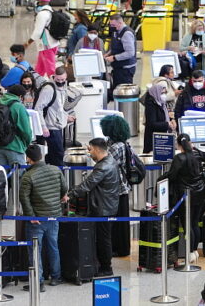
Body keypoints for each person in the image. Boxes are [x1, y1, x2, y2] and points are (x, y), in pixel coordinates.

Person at [66, 138, 120, 277]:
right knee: (103, 237)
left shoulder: (103, 167)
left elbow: (87, 184)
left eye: (90, 149)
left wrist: (69, 196)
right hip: (108, 205)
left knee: (103, 239)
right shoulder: (110, 160)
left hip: (103, 209)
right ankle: (101, 264)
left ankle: (106, 267)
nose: (89, 153)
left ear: (96, 149)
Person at [20, 145, 66, 291]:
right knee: (54, 246)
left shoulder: (28, 176)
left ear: (28, 158)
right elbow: (64, 189)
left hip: (37, 220)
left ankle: (38, 282)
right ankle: (56, 277)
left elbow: (24, 198)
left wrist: (31, 216)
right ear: (41, 156)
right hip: (54, 216)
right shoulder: (55, 170)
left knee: (35, 250)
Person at [157, 134, 205, 263]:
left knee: (187, 224)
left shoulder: (179, 158)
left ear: (179, 145)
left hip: (186, 194)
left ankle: (189, 254)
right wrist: (195, 148)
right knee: (195, 222)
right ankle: (195, 251)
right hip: (200, 192)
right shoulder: (196, 155)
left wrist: (160, 179)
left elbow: (172, 175)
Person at [99, 115, 132, 257]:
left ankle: (120, 249)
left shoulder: (116, 147)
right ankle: (121, 247)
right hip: (122, 187)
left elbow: (104, 164)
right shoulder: (121, 143)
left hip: (116, 189)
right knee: (121, 221)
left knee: (117, 222)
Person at [0, 84, 33, 167]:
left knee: (2, 177)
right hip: (15, 146)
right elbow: (26, 131)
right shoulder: (18, 107)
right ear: (20, 96)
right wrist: (26, 143)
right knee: (18, 177)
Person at [35, 69, 68, 166]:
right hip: (50, 127)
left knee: (53, 154)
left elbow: (59, 107)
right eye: (58, 79)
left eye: (63, 80)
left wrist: (66, 117)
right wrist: (43, 126)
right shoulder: (49, 89)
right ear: (54, 76)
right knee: (58, 154)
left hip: (57, 124)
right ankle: (58, 176)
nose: (60, 82)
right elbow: (38, 108)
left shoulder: (63, 87)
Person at [25, 0, 58, 77]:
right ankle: (37, 79)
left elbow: (38, 31)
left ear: (42, 2)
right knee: (40, 66)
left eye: (38, 1)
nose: (37, 3)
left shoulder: (42, 14)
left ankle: (55, 82)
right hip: (52, 42)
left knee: (50, 67)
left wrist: (28, 42)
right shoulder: (50, 10)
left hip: (46, 44)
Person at [104, 14, 137, 89]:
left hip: (125, 69)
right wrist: (108, 54)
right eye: (110, 24)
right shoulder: (117, 31)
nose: (111, 27)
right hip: (118, 68)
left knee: (123, 92)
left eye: (113, 25)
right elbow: (117, 47)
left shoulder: (126, 34)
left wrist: (114, 57)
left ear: (120, 23)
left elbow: (130, 53)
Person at [142, 82, 175, 153]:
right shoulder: (151, 105)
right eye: (162, 93)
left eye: (165, 93)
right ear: (156, 93)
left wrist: (171, 120)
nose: (164, 95)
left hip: (162, 138)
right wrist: (167, 124)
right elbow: (152, 124)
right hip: (153, 141)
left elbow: (163, 116)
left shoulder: (161, 103)